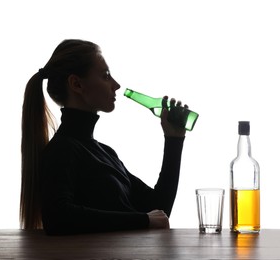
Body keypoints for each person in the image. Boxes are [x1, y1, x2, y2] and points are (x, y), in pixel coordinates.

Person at [20, 39, 189, 235]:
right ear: (76, 84)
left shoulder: (105, 153)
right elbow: (59, 218)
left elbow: (159, 211)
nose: (116, 85)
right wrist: (142, 220)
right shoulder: (62, 150)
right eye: (106, 75)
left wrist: (174, 139)